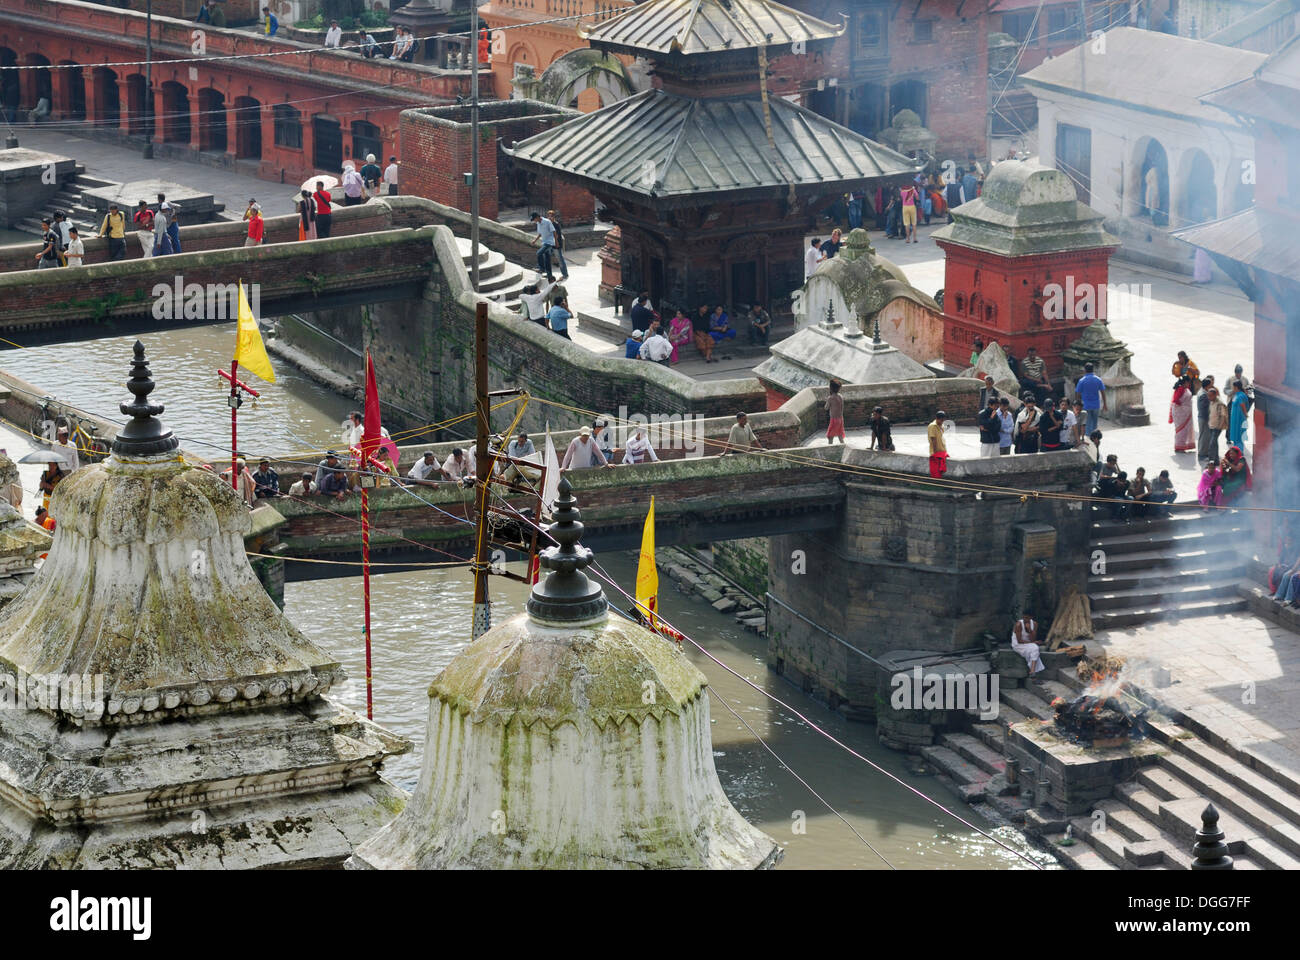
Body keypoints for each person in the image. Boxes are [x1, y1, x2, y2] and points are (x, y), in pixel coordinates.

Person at [1075, 362, 1107, 434]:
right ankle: (1094, 437)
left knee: (1087, 423)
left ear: (1085, 370)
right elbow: (1103, 392)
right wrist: (1105, 404)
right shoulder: (1098, 379)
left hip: (1086, 405)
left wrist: (1078, 405)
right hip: (1096, 405)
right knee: (1094, 423)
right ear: (1093, 369)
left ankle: (1089, 438)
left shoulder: (1081, 381)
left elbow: (1078, 394)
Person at [1010, 611, 1045, 676]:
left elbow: (1033, 639)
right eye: (1024, 617)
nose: (1025, 619)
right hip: (1018, 645)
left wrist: (1030, 630)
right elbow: (1019, 641)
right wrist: (1033, 642)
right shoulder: (1019, 624)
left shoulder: (1034, 624)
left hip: (1028, 643)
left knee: (1035, 648)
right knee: (1035, 649)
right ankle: (1033, 672)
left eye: (1027, 618)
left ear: (1031, 617)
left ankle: (1032, 672)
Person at [1170, 375, 1196, 453]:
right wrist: (1184, 406)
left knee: (1186, 429)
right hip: (1180, 413)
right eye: (1188, 382)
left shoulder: (1185, 389)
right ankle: (1179, 447)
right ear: (1185, 382)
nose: (1189, 384)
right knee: (1181, 430)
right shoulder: (1180, 389)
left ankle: (1184, 445)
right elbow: (1175, 400)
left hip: (1186, 412)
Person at [531, 211, 558, 281]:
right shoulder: (538, 223)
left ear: (537, 217)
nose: (534, 221)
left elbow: (554, 231)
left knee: (539, 253)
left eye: (534, 219)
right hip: (544, 242)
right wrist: (535, 240)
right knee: (547, 260)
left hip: (549, 242)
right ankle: (549, 275)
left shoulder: (547, 222)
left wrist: (556, 242)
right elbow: (540, 233)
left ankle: (541, 268)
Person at [546, 209, 570, 280]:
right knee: (546, 258)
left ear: (554, 217)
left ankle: (565, 274)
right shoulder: (548, 224)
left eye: (551, 216)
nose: (550, 218)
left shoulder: (556, 224)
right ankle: (548, 274)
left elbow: (557, 236)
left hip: (556, 245)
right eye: (549, 216)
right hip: (549, 244)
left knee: (560, 260)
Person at [1228, 378, 1251, 448]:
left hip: (1239, 419)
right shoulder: (1238, 394)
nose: (1233, 388)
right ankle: (1237, 450)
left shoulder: (1240, 395)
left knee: (1238, 436)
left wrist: (1245, 414)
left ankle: (1239, 452)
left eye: (1233, 387)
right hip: (1235, 419)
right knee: (1236, 436)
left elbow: (1242, 404)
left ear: (1236, 387)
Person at [927, 410, 948, 478]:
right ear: (937, 418)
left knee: (941, 470)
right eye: (941, 420)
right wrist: (935, 452)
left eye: (943, 420)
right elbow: (933, 439)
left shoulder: (941, 425)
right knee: (935, 471)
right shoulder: (932, 426)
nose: (942, 422)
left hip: (942, 450)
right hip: (936, 451)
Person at [826, 380, 845, 445]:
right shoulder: (841, 396)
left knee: (830, 436)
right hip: (840, 419)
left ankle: (830, 448)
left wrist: (827, 401)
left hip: (834, 420)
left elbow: (826, 407)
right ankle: (843, 445)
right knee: (840, 435)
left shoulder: (830, 398)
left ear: (831, 388)